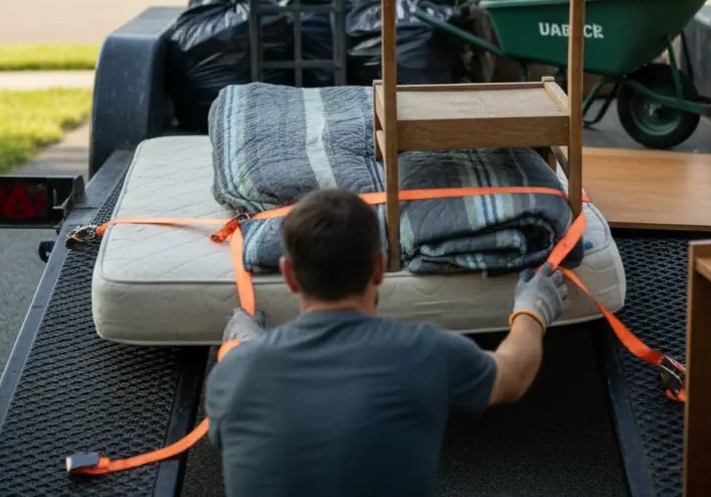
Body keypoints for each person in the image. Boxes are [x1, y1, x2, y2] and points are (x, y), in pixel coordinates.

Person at [204, 187, 569, 497]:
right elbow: (513, 375)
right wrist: (532, 310)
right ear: (379, 267)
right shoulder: (426, 354)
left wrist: (243, 350)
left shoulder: (231, 375)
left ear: (289, 275)